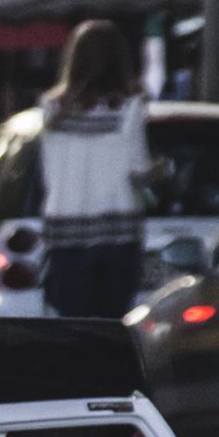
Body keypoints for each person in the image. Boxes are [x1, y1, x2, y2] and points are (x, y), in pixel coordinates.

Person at [38, 20, 153, 319]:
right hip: (117, 233)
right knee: (111, 325)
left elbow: (48, 173)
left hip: (64, 233)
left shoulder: (52, 109)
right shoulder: (128, 107)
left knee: (74, 325)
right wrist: (163, 170)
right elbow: (139, 168)